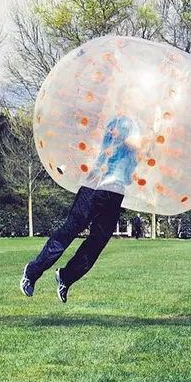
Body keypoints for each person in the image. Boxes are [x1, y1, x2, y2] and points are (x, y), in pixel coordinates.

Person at [20, 115, 142, 303]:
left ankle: (66, 277)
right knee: (70, 231)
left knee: (98, 241)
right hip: (96, 185)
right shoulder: (123, 121)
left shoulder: (139, 127)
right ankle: (32, 271)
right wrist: (155, 129)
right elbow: (135, 144)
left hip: (116, 191)